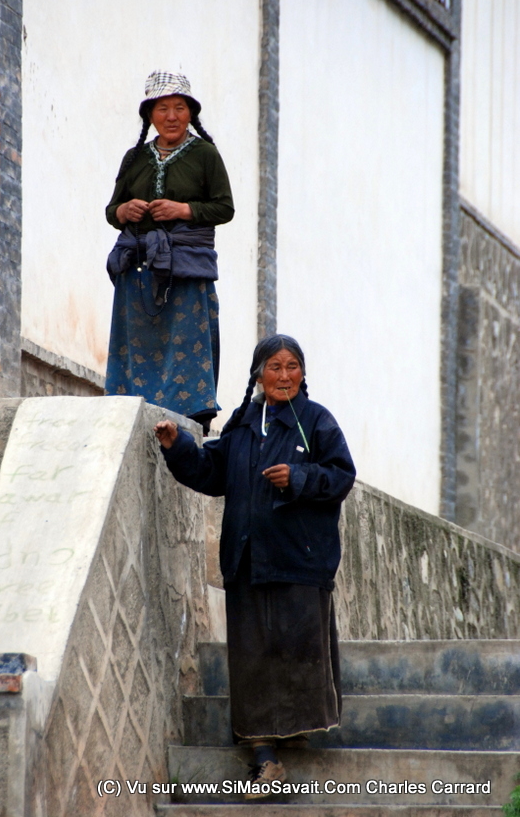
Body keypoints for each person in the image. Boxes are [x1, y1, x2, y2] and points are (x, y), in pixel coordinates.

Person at [154, 334, 356, 799]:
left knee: (295, 650)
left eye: (292, 367)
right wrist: (179, 446)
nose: (284, 376)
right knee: (252, 659)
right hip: (247, 562)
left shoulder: (316, 421)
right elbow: (211, 472)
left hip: (299, 560)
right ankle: (265, 756)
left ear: (303, 373)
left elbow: (342, 476)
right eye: (274, 367)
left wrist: (299, 478)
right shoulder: (243, 424)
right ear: (258, 375)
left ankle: (293, 731)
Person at [105, 71, 234, 434]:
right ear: (150, 115)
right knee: (137, 341)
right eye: (163, 108)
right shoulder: (135, 158)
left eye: (180, 108)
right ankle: (129, 409)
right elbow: (111, 210)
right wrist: (123, 211)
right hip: (139, 269)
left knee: (188, 340)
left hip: (186, 268)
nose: (172, 116)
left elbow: (224, 208)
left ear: (191, 113)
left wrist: (184, 210)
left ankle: (189, 417)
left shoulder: (206, 155)